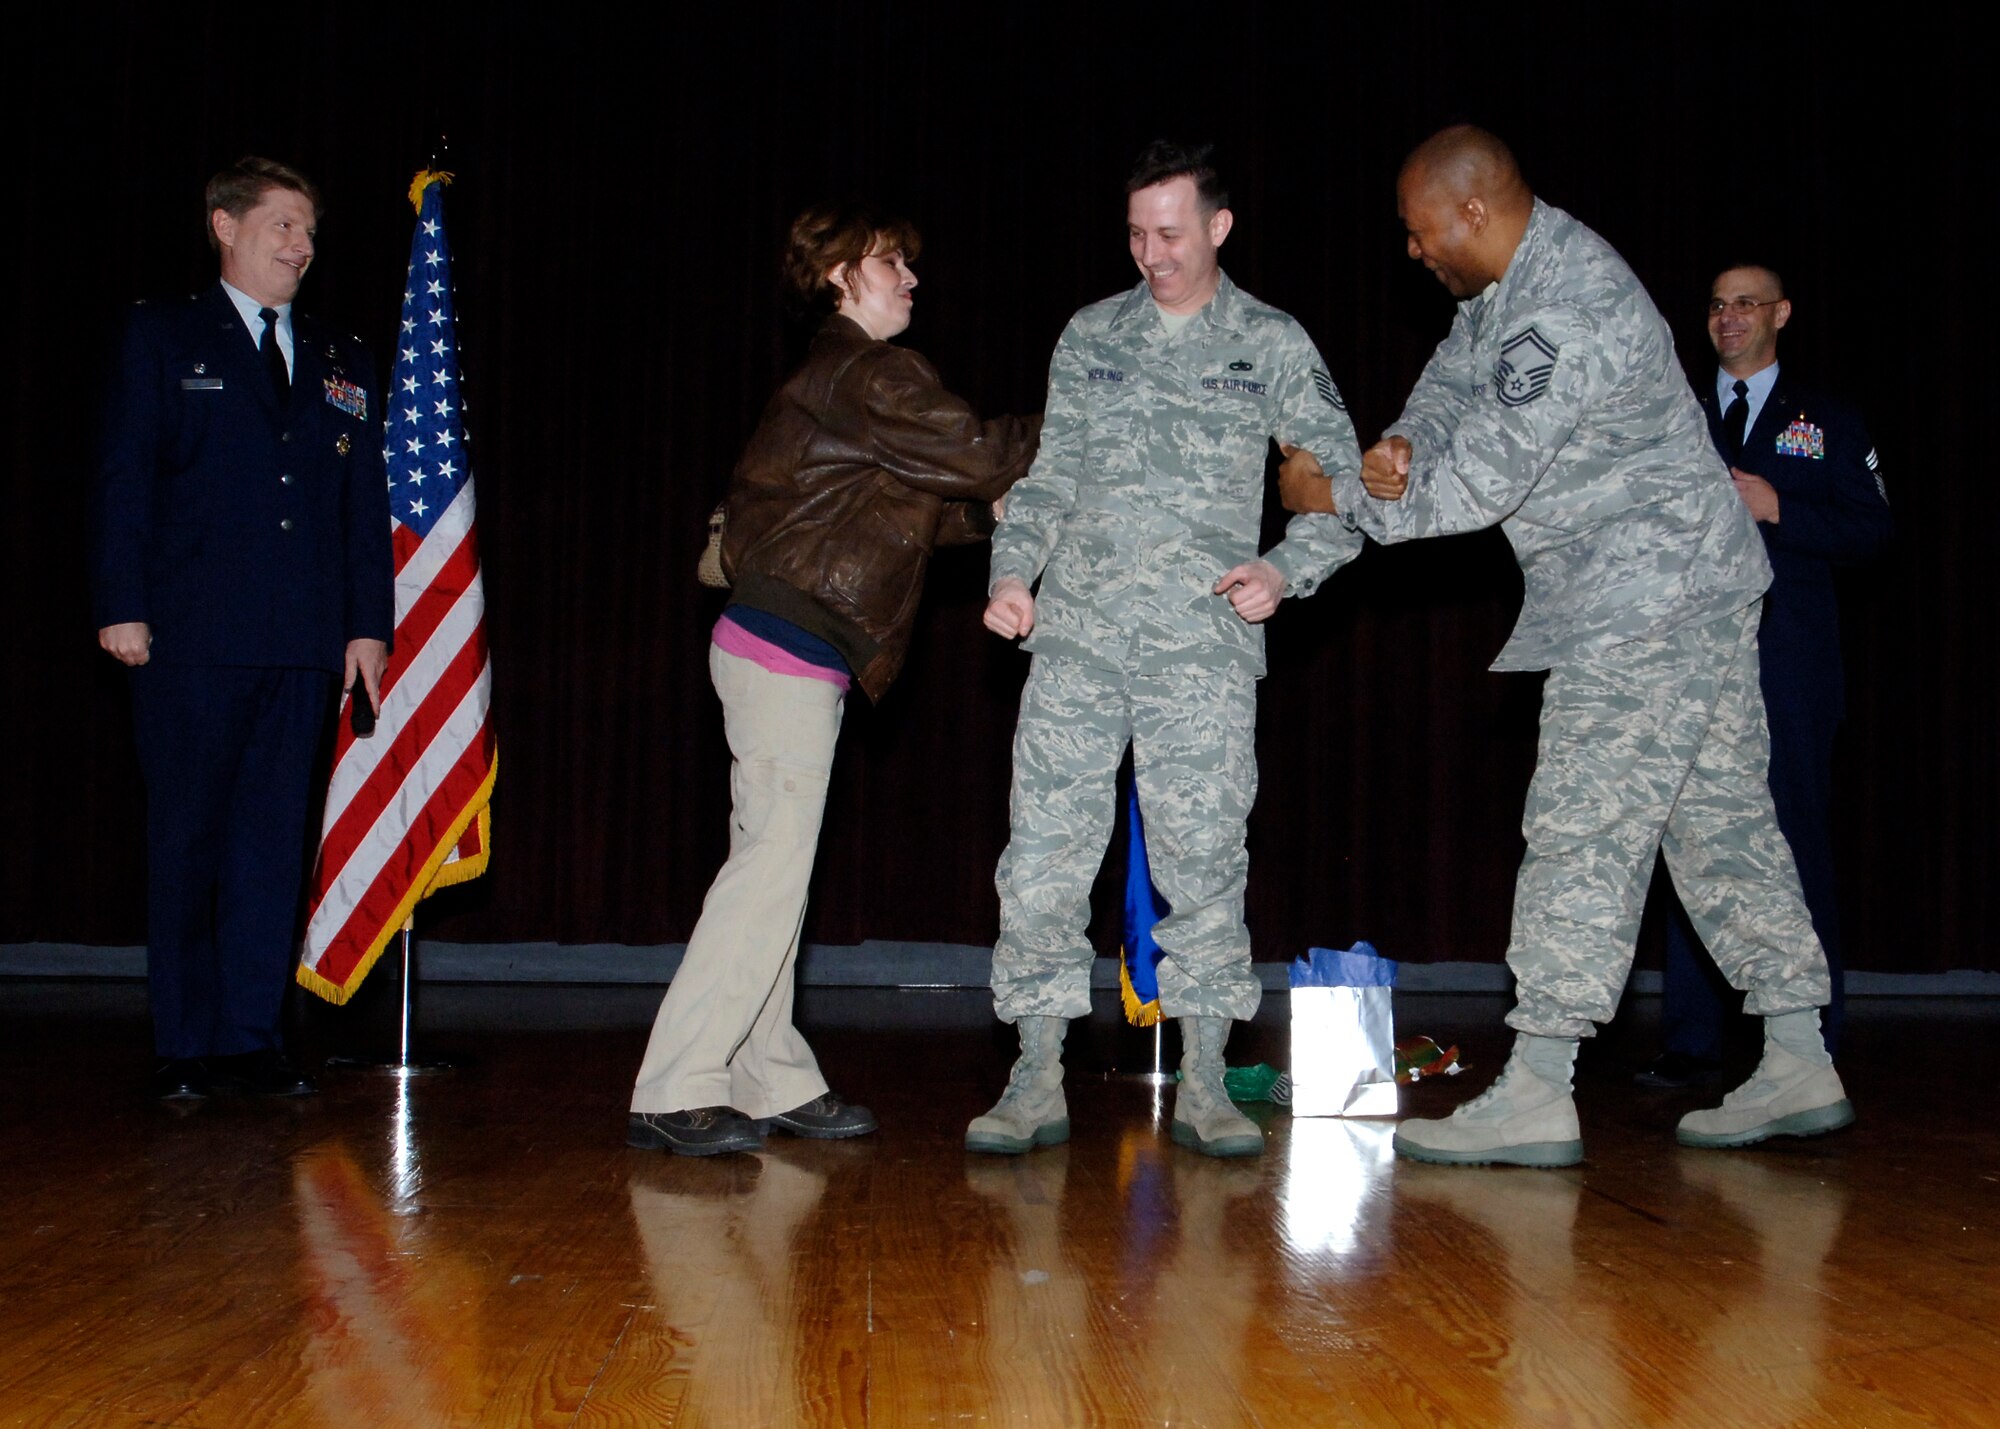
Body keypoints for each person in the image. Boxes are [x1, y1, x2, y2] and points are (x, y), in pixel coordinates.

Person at [1280, 125, 1853, 1165]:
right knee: (1718, 823)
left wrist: (1338, 494)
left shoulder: (1563, 306)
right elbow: (1448, 398)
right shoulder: (1503, 289)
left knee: (1582, 823)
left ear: (1468, 212)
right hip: (1690, 586)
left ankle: (1541, 1081)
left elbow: (1474, 485)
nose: (1410, 252)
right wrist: (1395, 447)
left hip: (1645, 599)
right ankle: (1796, 1056)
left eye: (1417, 234)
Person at [971, 141, 1366, 1161]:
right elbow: (1046, 479)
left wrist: (1286, 569)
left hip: (1202, 646)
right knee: (1045, 854)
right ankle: (1032, 1072)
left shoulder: (1270, 342)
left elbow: (1338, 486)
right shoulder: (1090, 335)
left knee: (1204, 861)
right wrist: (1011, 573)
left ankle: (1202, 1078)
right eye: (1137, 235)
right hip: (1077, 640)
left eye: (1171, 235)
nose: (1152, 255)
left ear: (1218, 227)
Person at [627, 203, 1040, 1157]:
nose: (911, 279)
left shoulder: (846, 383)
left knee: (776, 871)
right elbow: (976, 452)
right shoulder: (872, 371)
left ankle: (767, 1069)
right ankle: (674, 1079)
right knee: (766, 873)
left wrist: (999, 512)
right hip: (787, 646)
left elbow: (923, 513)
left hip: (778, 645)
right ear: (838, 277)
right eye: (891, 262)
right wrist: (1089, 429)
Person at [91, 157, 393, 1101]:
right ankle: (186, 1042)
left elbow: (359, 503)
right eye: (283, 226)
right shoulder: (163, 335)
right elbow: (124, 479)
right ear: (224, 225)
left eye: (309, 230)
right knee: (189, 838)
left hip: (302, 644)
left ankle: (252, 1038)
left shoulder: (342, 359)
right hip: (190, 637)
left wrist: (365, 626)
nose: (302, 246)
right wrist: (120, 603)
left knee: (269, 843)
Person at [1635, 264, 1891, 1088]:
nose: (1728, 317)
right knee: (1692, 839)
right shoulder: (1672, 414)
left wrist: (1780, 508)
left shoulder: (1826, 419)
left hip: (1789, 666)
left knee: (1792, 841)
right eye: (1716, 304)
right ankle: (1692, 1041)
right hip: (1689, 662)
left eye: (1746, 303)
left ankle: (1808, 1042)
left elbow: (1874, 529)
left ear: (1781, 312)